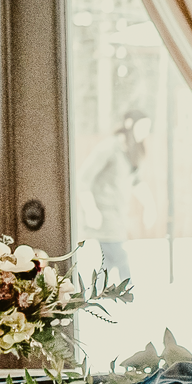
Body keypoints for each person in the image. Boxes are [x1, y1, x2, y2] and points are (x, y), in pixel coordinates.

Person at [74, 111, 148, 286]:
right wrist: (91, 209)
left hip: (118, 216)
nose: (146, 131)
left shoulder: (130, 151)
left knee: (108, 261)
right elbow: (83, 179)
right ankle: (128, 291)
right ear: (129, 124)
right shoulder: (108, 148)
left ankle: (94, 296)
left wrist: (150, 206)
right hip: (104, 217)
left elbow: (136, 181)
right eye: (143, 126)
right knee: (119, 257)